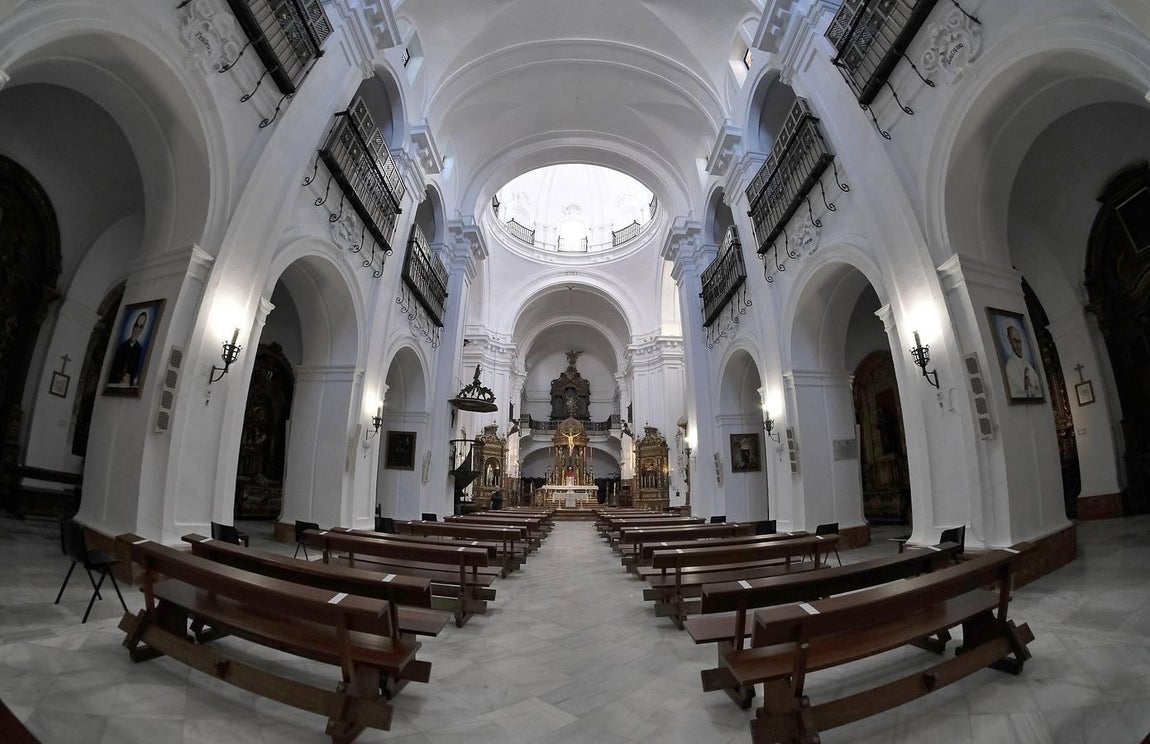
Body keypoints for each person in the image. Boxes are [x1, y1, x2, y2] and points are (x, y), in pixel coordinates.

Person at [108, 310, 147, 387]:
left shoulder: (139, 349)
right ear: (133, 326)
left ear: (142, 330)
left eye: (140, 327)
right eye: (136, 325)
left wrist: (129, 378)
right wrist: (122, 376)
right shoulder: (122, 347)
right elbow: (113, 368)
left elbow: (135, 372)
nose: (136, 330)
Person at [1003, 322, 1042, 399]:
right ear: (1009, 340)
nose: (1018, 345)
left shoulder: (1027, 364)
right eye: (1015, 341)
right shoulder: (1010, 366)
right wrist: (1026, 386)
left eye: (1019, 341)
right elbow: (1015, 394)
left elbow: (1039, 388)